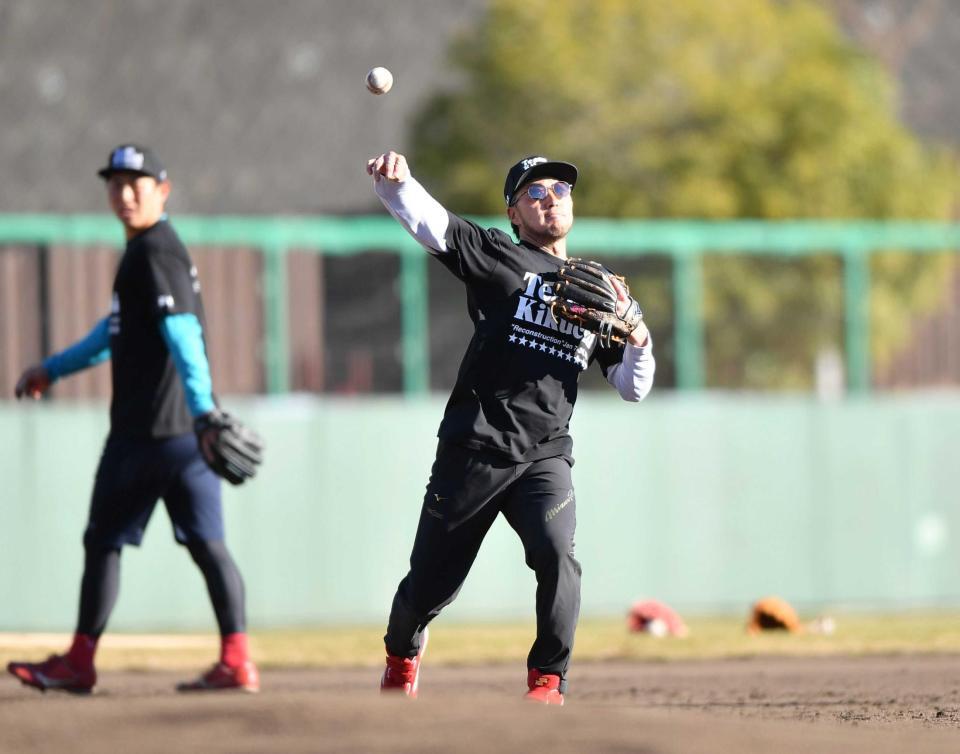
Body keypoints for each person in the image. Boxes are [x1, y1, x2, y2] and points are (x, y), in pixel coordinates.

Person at [367, 151, 655, 705]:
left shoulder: (598, 290)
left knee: (557, 554)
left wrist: (637, 334)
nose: (551, 198)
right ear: (514, 213)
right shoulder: (500, 257)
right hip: (474, 447)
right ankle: (402, 655)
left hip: (544, 455)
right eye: (536, 192)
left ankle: (548, 682)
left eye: (561, 190)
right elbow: (434, 226)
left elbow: (632, 386)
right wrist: (396, 185)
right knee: (427, 586)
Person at [6, 144, 259, 694]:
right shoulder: (152, 252)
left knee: (104, 543)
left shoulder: (152, 252)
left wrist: (203, 409)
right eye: (116, 184)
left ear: (162, 191)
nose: (124, 194)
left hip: (147, 436)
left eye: (136, 184)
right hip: (186, 439)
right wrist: (53, 368)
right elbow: (112, 334)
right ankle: (237, 661)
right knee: (207, 546)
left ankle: (78, 662)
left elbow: (183, 333)